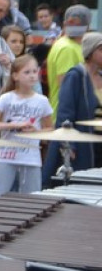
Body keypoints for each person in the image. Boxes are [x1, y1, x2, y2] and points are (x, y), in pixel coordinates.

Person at [0, 55, 53, 196]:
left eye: (34, 71)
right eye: (27, 72)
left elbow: (50, 129)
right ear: (15, 76)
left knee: (32, 198)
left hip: (31, 157)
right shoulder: (6, 98)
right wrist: (12, 125)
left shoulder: (42, 101)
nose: (32, 76)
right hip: (7, 155)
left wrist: (36, 131)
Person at [42, 33, 102, 188]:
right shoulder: (75, 75)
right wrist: (69, 145)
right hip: (81, 143)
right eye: (101, 49)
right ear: (90, 52)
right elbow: (65, 112)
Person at [46, 4, 90, 112]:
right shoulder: (67, 48)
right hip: (66, 114)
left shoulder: (75, 46)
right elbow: (66, 87)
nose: (74, 27)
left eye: (77, 24)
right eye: (71, 23)